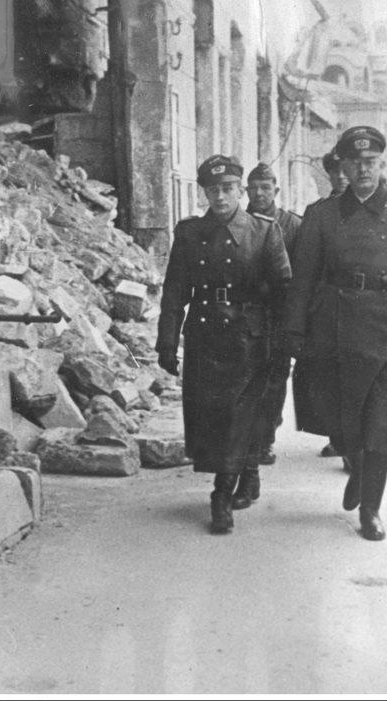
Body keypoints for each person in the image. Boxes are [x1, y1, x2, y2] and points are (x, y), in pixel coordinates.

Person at [283, 126, 387, 541]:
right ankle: (360, 470)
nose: (364, 169)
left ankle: (371, 508)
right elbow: (303, 279)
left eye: (371, 162)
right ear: (343, 168)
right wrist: (294, 330)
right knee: (345, 425)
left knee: (381, 426)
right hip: (337, 333)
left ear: (382, 164)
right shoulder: (322, 215)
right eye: (355, 163)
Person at [156, 154, 291, 534]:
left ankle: (221, 494)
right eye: (213, 190)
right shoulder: (189, 233)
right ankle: (246, 470)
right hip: (205, 334)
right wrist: (167, 341)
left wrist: (283, 342)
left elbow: (283, 291)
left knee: (240, 413)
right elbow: (174, 292)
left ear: (240, 190)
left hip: (249, 337)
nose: (220, 197)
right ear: (204, 192)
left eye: (228, 188)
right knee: (212, 415)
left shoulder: (264, 231)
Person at [245, 162, 302, 471]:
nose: (259, 193)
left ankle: (266, 436)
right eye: (253, 188)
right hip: (246, 313)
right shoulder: (237, 223)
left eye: (265, 188)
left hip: (280, 313)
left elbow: (303, 272)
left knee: (276, 376)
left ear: (276, 191)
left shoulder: (293, 225)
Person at [294, 151, 349, 462]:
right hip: (326, 306)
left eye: (345, 170)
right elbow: (305, 267)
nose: (340, 177)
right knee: (329, 375)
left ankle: (355, 443)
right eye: (334, 171)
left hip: (363, 306)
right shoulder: (317, 212)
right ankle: (338, 437)